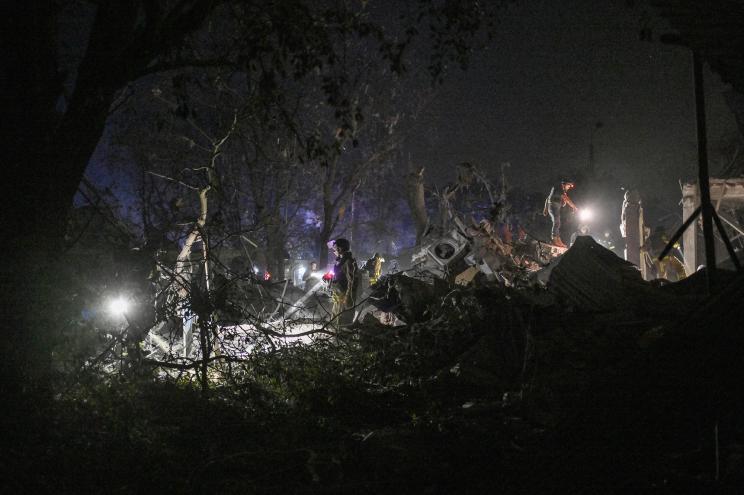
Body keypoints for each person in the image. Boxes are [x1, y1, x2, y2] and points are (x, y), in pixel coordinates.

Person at [328, 238, 359, 326]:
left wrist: (348, 298)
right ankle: (334, 335)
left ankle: (342, 336)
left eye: (335, 248)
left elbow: (352, 281)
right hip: (338, 297)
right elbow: (337, 275)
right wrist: (329, 278)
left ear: (340, 249)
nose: (334, 251)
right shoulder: (340, 261)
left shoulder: (349, 261)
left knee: (343, 320)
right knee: (335, 320)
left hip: (345, 297)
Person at [543, 179, 578, 247]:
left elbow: (550, 198)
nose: (569, 188)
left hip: (555, 207)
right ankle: (554, 238)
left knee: (558, 222)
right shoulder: (559, 187)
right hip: (553, 206)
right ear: (564, 184)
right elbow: (566, 198)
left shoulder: (561, 191)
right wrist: (574, 207)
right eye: (568, 186)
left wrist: (563, 202)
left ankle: (558, 239)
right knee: (556, 221)